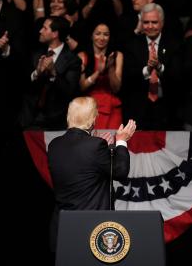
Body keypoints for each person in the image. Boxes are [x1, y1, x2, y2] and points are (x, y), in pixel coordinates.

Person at [48, 96, 136, 249]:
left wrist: (97, 145)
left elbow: (82, 165)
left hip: (62, 231)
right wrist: (121, 141)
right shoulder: (95, 146)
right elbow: (121, 171)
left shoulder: (54, 145)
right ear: (93, 119)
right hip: (90, 232)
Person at [78, 23, 123, 129]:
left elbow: (116, 88)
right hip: (90, 107)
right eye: (98, 34)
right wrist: (98, 72)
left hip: (112, 106)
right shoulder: (82, 56)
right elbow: (82, 86)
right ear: (92, 36)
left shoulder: (117, 55)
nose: (102, 38)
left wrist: (111, 68)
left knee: (113, 142)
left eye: (106, 34)